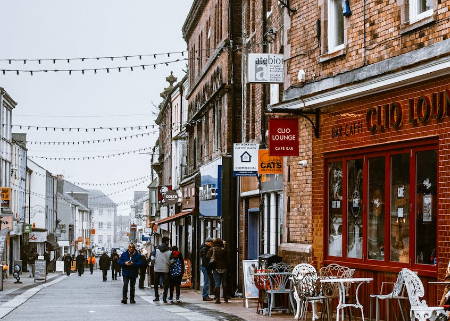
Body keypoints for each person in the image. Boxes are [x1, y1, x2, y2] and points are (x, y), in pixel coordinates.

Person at [207, 238, 228, 304]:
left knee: (217, 283)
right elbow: (227, 258)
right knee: (224, 283)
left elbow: (207, 257)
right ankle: (225, 298)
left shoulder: (212, 249)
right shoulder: (224, 249)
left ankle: (217, 299)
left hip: (216, 268)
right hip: (224, 268)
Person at [151, 237, 172, 303]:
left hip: (157, 269)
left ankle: (156, 297)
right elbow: (171, 260)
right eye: (168, 241)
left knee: (156, 284)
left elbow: (152, 258)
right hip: (165, 269)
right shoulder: (169, 250)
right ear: (166, 242)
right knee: (166, 284)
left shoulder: (156, 249)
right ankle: (164, 298)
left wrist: (154, 262)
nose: (168, 242)